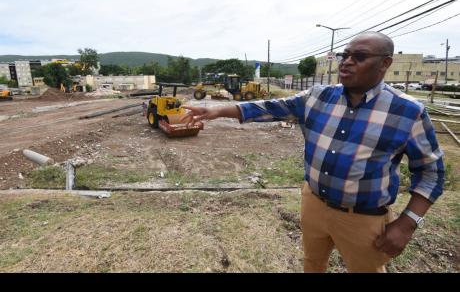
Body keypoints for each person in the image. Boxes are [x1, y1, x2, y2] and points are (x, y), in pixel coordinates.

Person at [180, 32, 445, 273]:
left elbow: (431, 171)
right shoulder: (318, 96)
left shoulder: (408, 111)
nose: (346, 62)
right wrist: (217, 111)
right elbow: (271, 107)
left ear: (385, 63)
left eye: (359, 57)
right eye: (345, 55)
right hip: (314, 204)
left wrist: (407, 223)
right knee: (312, 263)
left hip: (363, 218)